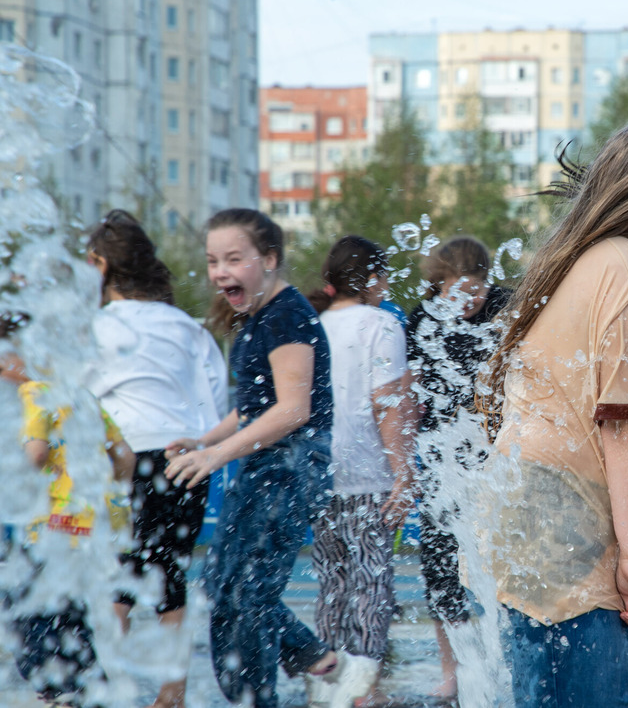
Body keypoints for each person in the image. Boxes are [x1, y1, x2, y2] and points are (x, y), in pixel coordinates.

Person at [478, 122, 628, 706]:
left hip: (550, 525)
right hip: (563, 539)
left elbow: (603, 406)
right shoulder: (626, 264)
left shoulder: (587, 261)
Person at [162, 209, 377, 708]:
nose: (220, 272)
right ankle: (321, 661)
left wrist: (214, 456)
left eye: (234, 259)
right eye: (214, 260)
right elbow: (252, 409)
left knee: (247, 596)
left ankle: (261, 697)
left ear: (270, 259)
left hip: (290, 468)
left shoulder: (286, 316)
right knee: (223, 586)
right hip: (267, 467)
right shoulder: (259, 317)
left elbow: (293, 409)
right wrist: (202, 441)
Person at [83, 209, 228, 708]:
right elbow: (215, 403)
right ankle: (173, 694)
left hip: (125, 458)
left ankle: (95, 686)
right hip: (184, 458)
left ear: (100, 266)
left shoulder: (100, 327)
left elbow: (78, 398)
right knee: (170, 577)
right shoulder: (187, 327)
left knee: (116, 574)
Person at [307, 236, 415, 704]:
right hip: (368, 470)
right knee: (371, 579)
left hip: (316, 472)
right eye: (384, 277)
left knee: (331, 581)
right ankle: (362, 689)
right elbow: (387, 402)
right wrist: (403, 472)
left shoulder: (311, 323)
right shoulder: (381, 323)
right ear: (372, 279)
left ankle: (325, 680)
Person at [405, 235, 511, 698]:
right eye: (457, 292)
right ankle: (454, 668)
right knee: (440, 560)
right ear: (437, 286)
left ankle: (504, 656)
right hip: (443, 454)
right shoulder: (423, 320)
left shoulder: (507, 307)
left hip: (500, 454)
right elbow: (408, 396)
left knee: (506, 557)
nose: (469, 302)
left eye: (476, 291)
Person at [7, 335, 136, 706]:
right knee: (74, 610)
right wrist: (113, 496)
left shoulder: (35, 392)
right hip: (94, 524)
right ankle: (86, 686)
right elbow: (124, 456)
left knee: (24, 606)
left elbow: (35, 454)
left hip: (53, 524)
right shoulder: (83, 396)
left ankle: (58, 689)